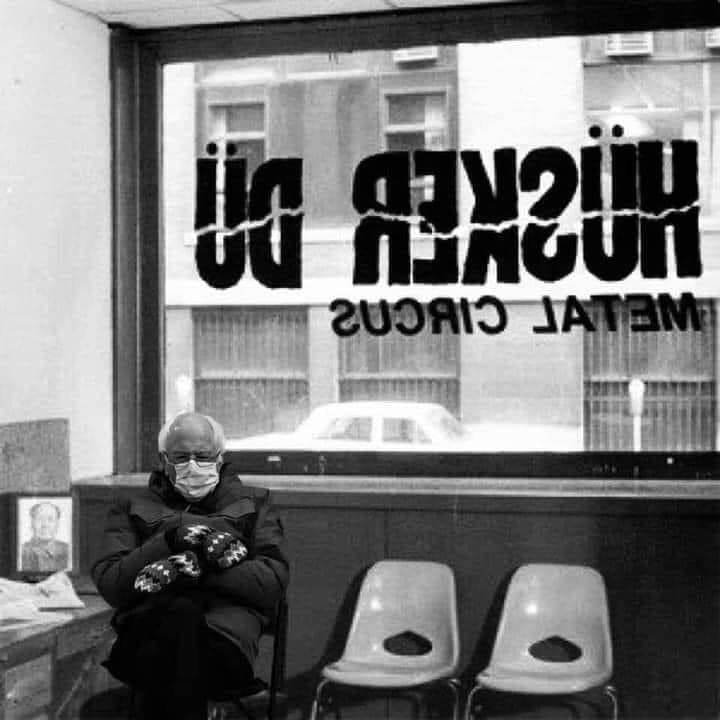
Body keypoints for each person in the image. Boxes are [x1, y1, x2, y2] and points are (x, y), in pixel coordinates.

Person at [91, 411, 289, 720]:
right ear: (163, 460)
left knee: (178, 628)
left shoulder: (254, 503)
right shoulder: (131, 506)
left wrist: (194, 568)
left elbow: (270, 583)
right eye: (181, 457)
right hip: (147, 634)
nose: (193, 465)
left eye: (203, 456)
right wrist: (169, 541)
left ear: (220, 458)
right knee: (177, 622)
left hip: (223, 640)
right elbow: (113, 584)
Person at [21, 501, 70, 572]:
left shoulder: (68, 551)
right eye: (39, 519)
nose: (45, 525)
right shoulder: (21, 551)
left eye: (50, 519)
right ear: (32, 523)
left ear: (57, 524)